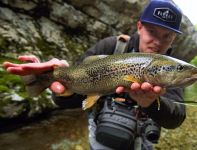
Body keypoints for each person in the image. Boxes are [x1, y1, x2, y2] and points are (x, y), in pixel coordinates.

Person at [3, 0, 186, 149]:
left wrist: (151, 103)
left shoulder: (170, 70)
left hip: (141, 142)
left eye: (167, 36)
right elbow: (65, 101)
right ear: (139, 26)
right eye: (152, 31)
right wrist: (63, 87)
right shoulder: (111, 47)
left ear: (174, 38)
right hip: (100, 140)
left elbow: (176, 118)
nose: (157, 42)